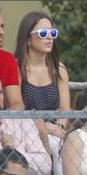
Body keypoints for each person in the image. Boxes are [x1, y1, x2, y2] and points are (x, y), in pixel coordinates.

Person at [14, 10, 71, 154]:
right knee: (54, 145)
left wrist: (59, 127)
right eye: (43, 34)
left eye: (52, 33)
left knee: (65, 144)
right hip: (25, 131)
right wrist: (40, 128)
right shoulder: (17, 67)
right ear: (28, 38)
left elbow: (65, 110)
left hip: (55, 131)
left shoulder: (58, 69)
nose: (49, 38)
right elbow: (15, 107)